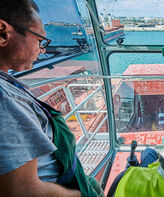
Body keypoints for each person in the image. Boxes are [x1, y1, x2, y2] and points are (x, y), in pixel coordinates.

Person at [0, 0, 103, 196]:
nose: (43, 50)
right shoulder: (4, 99)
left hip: (67, 179)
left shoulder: (7, 85)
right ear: (3, 33)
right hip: (62, 188)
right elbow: (23, 190)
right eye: (40, 40)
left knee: (95, 185)